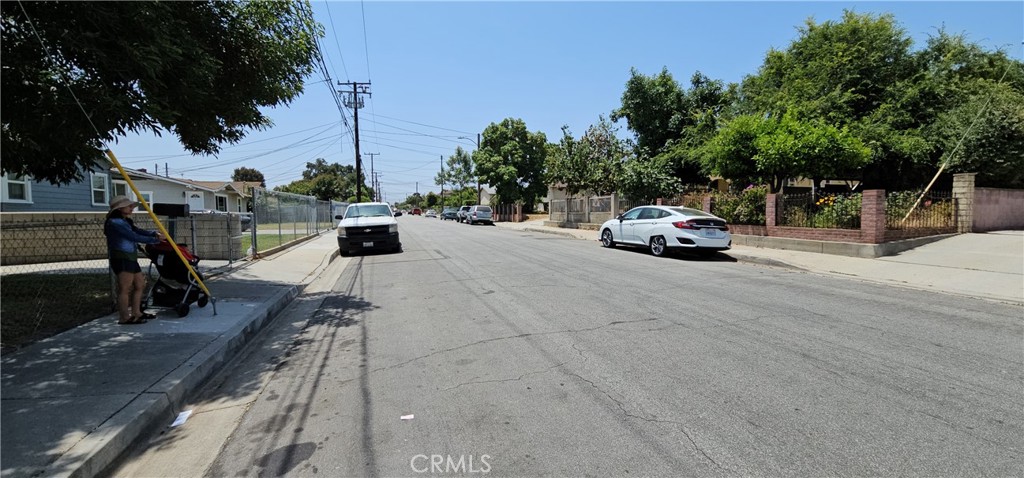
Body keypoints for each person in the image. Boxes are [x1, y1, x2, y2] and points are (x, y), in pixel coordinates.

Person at [104, 195, 164, 324]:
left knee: (140, 284)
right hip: (121, 256)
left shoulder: (125, 221)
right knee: (125, 288)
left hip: (130, 256)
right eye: (129, 206)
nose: (132, 208)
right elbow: (132, 236)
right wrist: (154, 240)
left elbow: (137, 231)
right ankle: (124, 317)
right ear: (119, 208)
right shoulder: (115, 222)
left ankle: (137, 313)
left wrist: (154, 233)